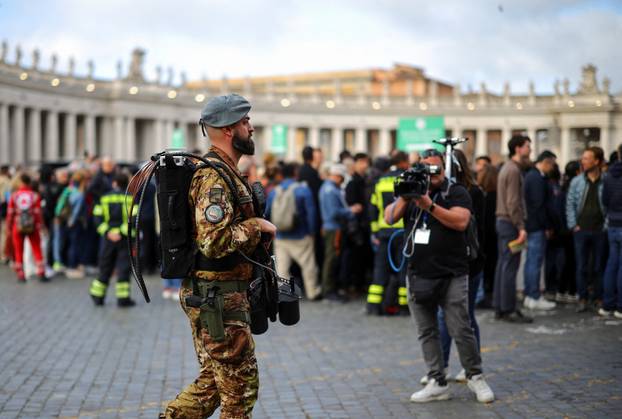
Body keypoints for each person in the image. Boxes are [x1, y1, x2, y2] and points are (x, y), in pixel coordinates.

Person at [161, 94, 277, 419]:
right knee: (239, 393)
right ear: (228, 129)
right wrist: (255, 226)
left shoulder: (226, 172)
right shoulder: (213, 177)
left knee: (213, 384)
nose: (251, 128)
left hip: (219, 295)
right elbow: (214, 241)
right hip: (218, 299)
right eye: (244, 122)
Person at [384, 148, 494, 404]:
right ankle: (437, 380)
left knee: (460, 328)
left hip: (452, 272)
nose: (431, 175)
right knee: (426, 331)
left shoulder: (456, 192)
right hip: (418, 273)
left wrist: (429, 205)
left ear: (444, 170)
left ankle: (475, 376)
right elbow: (389, 217)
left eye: (436, 170)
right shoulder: (412, 191)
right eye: (426, 170)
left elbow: (460, 222)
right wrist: (407, 194)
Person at [433, 148, 486, 384]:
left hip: (468, 261)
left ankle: (469, 368)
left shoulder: (471, 193)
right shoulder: (439, 192)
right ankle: (443, 366)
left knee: (461, 317)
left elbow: (478, 229)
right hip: (446, 261)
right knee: (445, 316)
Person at [265, 162, 321, 300]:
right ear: (296, 173)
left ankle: (284, 293)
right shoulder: (303, 190)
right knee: (308, 266)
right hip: (301, 235)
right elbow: (311, 213)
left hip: (281, 236)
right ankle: (312, 292)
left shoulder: (274, 192)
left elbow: (267, 212)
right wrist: (312, 231)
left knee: (282, 268)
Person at [494, 135, 533, 323]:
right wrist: (521, 226)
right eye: (527, 146)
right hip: (510, 223)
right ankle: (507, 308)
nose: (529, 150)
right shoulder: (513, 170)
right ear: (518, 148)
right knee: (510, 266)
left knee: (504, 264)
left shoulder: (506, 168)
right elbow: (513, 202)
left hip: (504, 222)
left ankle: (501, 306)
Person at [366, 151, 409, 315]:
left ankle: (373, 305)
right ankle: (404, 307)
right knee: (403, 269)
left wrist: (375, 231)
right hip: (402, 231)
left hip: (384, 232)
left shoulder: (381, 180)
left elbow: (373, 207)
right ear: (404, 162)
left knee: (380, 269)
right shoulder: (407, 178)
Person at [566, 146, 606, 312]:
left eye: (587, 158)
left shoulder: (606, 180)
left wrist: (606, 226)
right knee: (581, 266)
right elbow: (570, 204)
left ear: (596, 161)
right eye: (583, 158)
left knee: (598, 266)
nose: (583, 161)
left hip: (600, 230)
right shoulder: (577, 181)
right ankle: (582, 298)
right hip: (581, 230)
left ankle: (598, 297)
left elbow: (609, 205)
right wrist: (573, 225)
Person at [88, 172, 136, 307]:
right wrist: (120, 231)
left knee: (105, 266)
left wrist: (108, 232)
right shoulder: (130, 198)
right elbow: (134, 217)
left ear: (114, 183)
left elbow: (97, 219)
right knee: (123, 268)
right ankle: (123, 299)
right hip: (124, 238)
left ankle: (98, 295)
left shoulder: (103, 198)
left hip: (107, 239)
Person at [319, 163, 362, 302]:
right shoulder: (331, 190)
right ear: (338, 176)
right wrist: (351, 210)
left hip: (331, 228)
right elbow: (334, 213)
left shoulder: (327, 188)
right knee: (332, 259)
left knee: (332, 258)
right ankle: (329, 290)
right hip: (334, 228)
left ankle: (331, 289)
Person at [522, 150, 557, 310]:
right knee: (534, 262)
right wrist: (547, 226)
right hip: (536, 226)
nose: (552, 168)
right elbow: (538, 205)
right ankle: (533, 295)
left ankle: (530, 295)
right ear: (546, 162)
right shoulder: (536, 178)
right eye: (552, 164)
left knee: (531, 261)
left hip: (532, 225)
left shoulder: (533, 176)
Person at [5, 173, 46, 282]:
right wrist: (40, 225)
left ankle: (20, 274)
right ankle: (41, 272)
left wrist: (8, 226)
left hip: (17, 225)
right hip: (32, 225)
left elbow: (10, 213)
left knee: (18, 249)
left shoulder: (15, 195)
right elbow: (38, 213)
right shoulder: (35, 195)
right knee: (37, 248)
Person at [342, 152, 372, 293]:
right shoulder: (353, 183)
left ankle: (359, 283)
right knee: (355, 257)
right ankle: (354, 284)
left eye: (366, 162)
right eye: (361, 162)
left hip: (365, 224)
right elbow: (352, 205)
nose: (364, 165)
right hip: (357, 226)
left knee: (362, 257)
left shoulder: (366, 180)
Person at [601, 144, 622, 318]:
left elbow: (605, 200)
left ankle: (608, 304)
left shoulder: (608, 175)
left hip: (613, 223)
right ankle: (620, 306)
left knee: (612, 263)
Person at [477, 164, 498, 307]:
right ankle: (488, 293)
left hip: (480, 235)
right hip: (493, 235)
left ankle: (480, 294)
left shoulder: (477, 193)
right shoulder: (496, 196)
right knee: (492, 265)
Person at [0, 165, 13, 264]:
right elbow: (8, 197)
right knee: (5, 233)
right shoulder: (6, 181)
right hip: (3, 209)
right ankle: (4, 255)